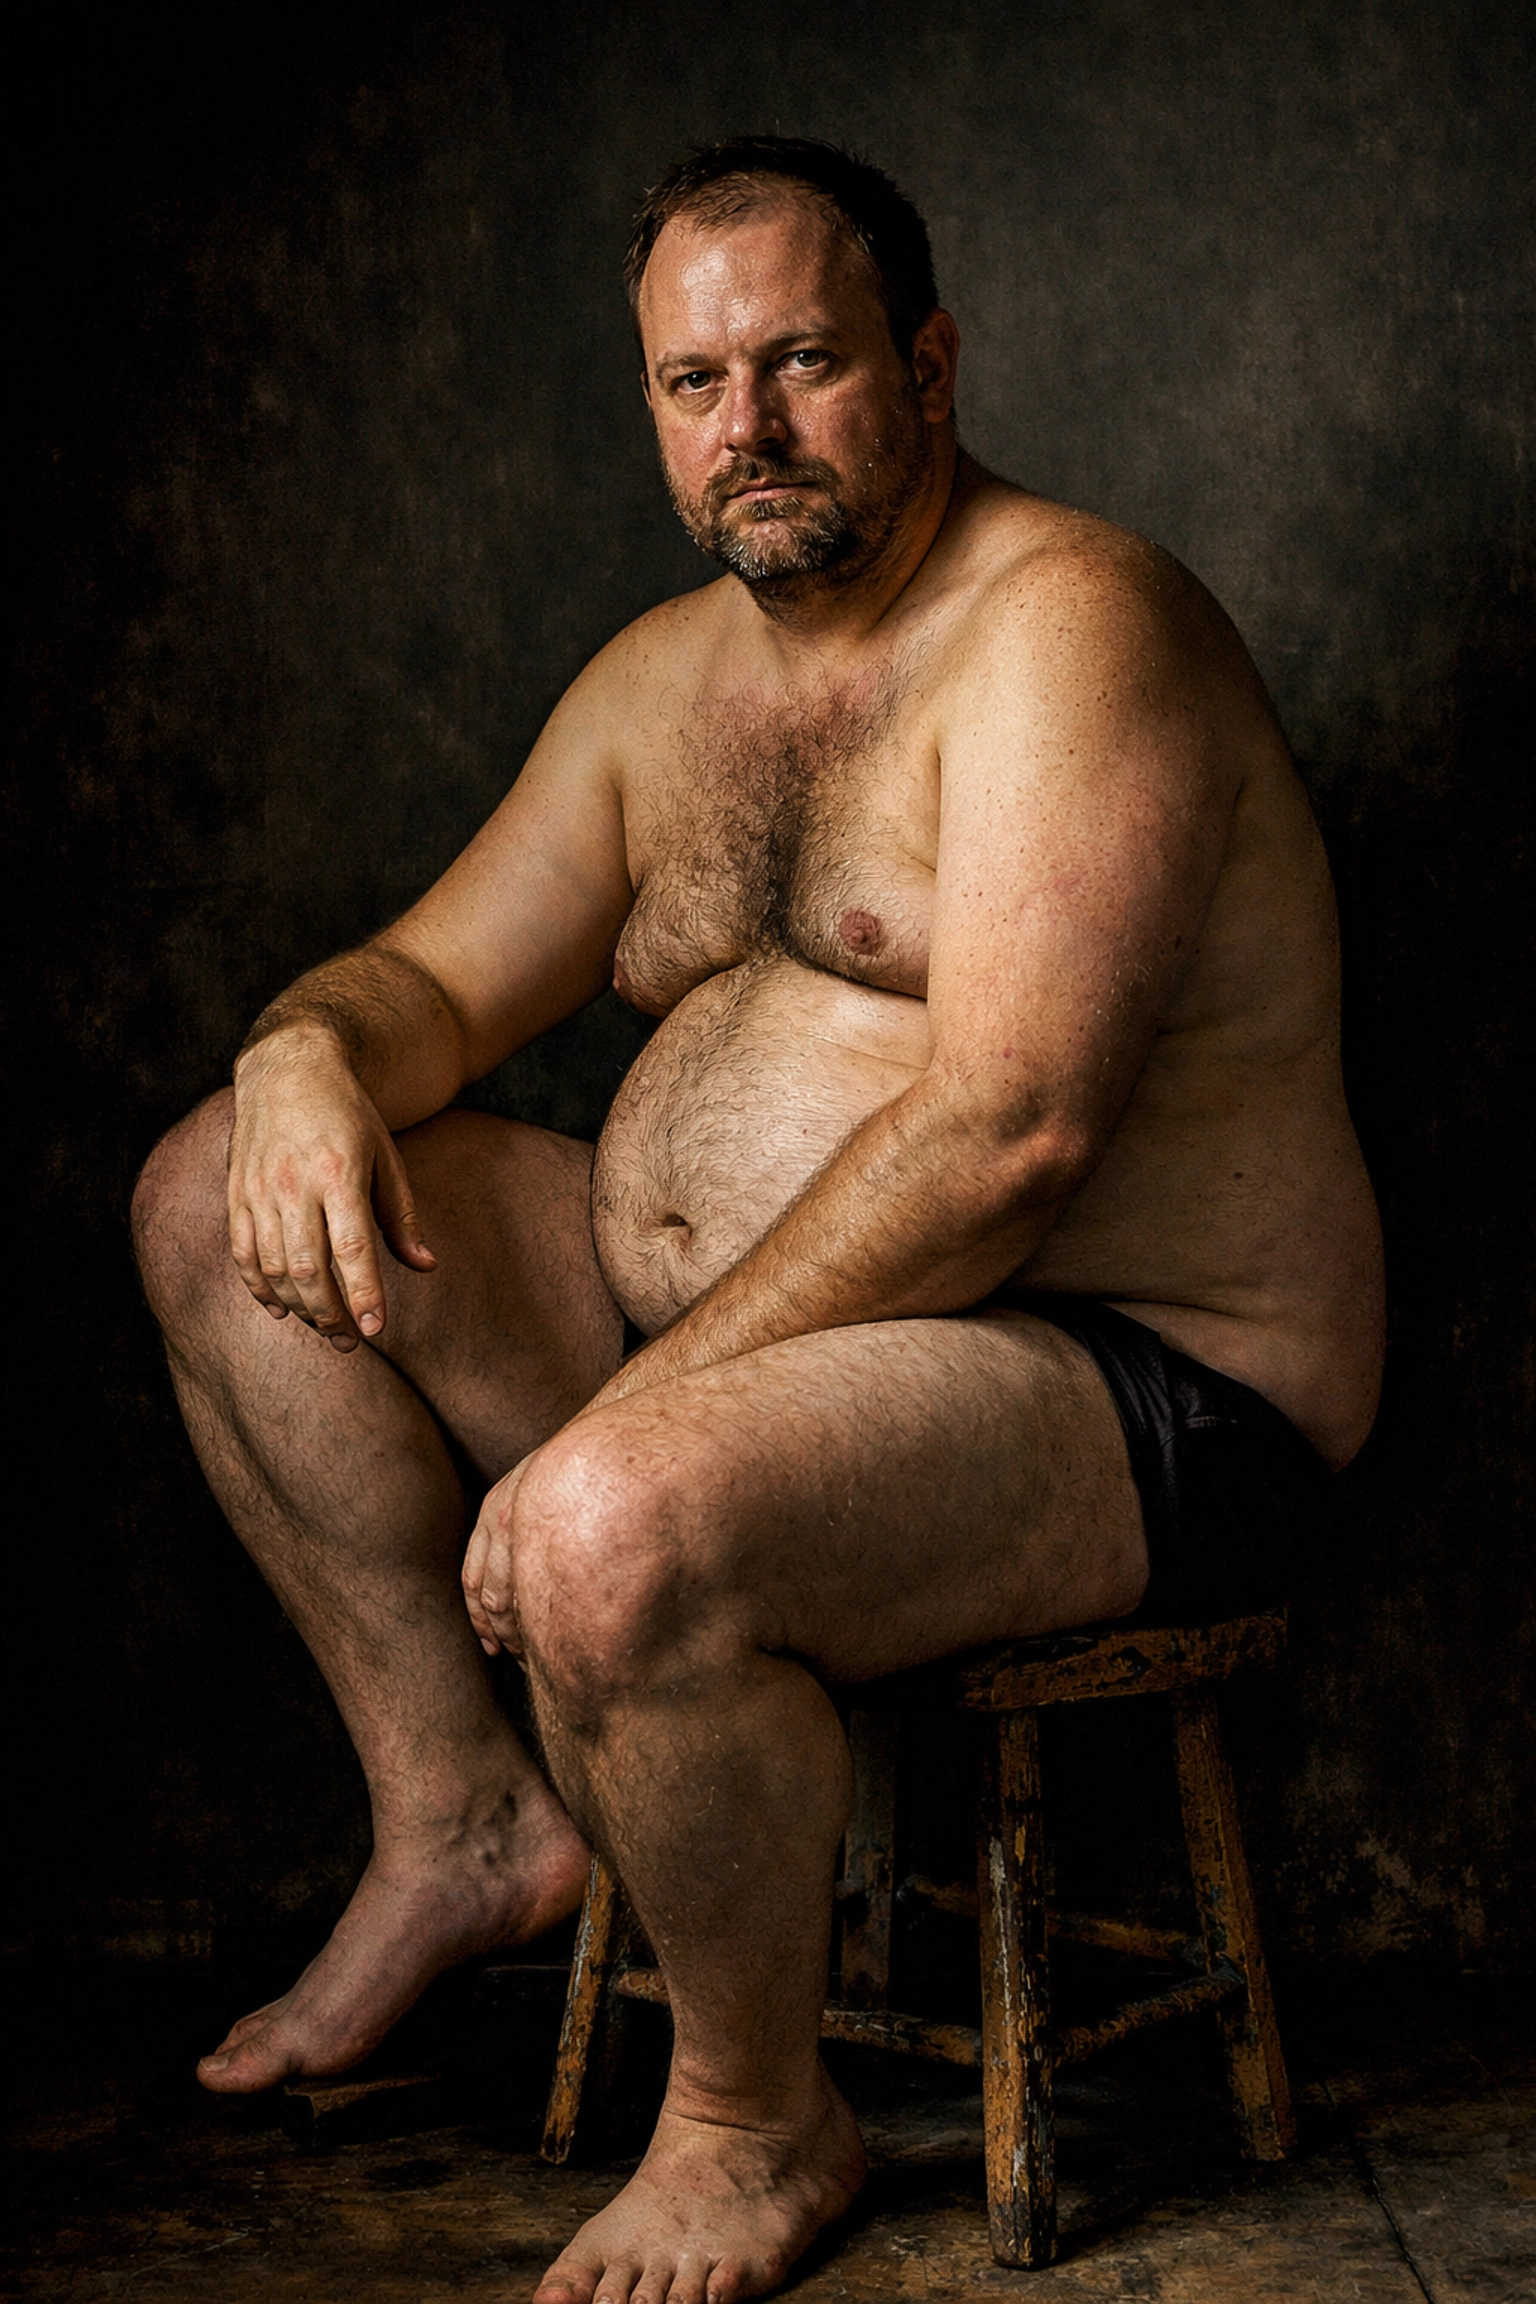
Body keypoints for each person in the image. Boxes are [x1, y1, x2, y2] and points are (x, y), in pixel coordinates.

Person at [133, 134, 1384, 2304]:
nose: (749, 429)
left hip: (1145, 1379)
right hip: (787, 1361)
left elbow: (1012, 1137)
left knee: (617, 1521)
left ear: (928, 359)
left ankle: (751, 2118)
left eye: (802, 360)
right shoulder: (662, 691)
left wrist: (640, 1428)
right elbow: (418, 990)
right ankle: (466, 1817)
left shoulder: (1072, 629)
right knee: (207, 1209)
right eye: (694, 382)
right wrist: (303, 1057)